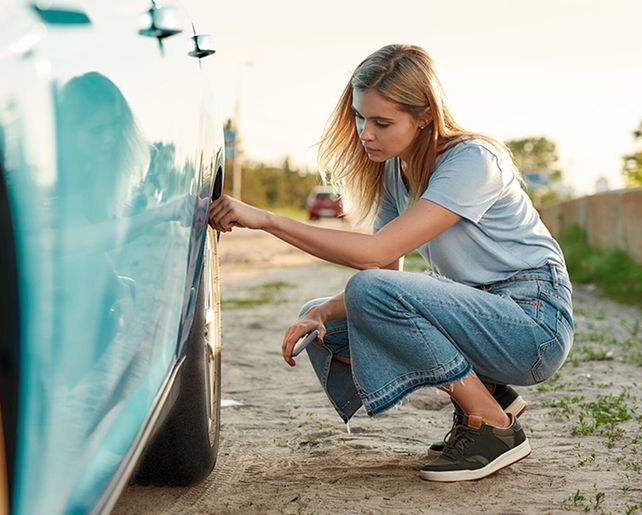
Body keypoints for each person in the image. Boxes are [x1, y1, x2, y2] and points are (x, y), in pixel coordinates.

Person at [208, 44, 573, 482]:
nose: (366, 133)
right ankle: (490, 394)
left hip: (533, 325)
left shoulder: (472, 161)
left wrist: (265, 219)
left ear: (424, 116)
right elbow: (385, 277)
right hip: (483, 314)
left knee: (363, 292)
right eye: (361, 118)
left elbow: (375, 255)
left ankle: (493, 426)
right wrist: (321, 313)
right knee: (327, 318)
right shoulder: (395, 172)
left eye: (382, 122)